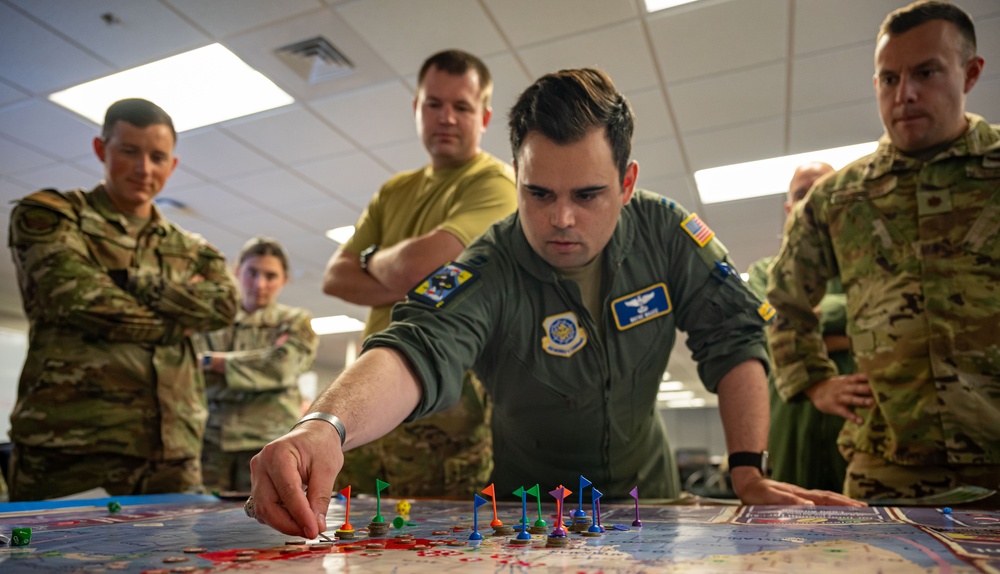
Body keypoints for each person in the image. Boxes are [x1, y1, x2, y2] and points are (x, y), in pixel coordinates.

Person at [249, 68, 860, 538]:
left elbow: (733, 338)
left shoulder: (667, 234)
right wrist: (323, 426)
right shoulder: (490, 264)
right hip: (529, 516)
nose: (561, 220)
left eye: (589, 194)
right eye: (537, 193)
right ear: (516, 176)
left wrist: (747, 468)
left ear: (626, 183)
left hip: (652, 504)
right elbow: (416, 348)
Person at [768, 0, 1000, 506]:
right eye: (888, 78)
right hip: (887, 469)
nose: (905, 94)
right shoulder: (839, 197)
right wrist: (813, 381)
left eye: (926, 72)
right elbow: (780, 303)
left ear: (971, 72)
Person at [6, 98, 238, 501]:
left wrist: (131, 282)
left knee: (174, 561)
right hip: (71, 447)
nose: (143, 168)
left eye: (157, 156)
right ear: (101, 149)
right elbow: (83, 302)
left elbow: (225, 306)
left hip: (173, 451)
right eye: (129, 151)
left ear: (173, 165)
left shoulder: (192, 248)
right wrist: (177, 324)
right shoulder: (54, 216)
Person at [322, 49, 516, 496]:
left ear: (484, 117)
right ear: (416, 109)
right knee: (353, 540)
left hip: (443, 406)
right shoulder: (394, 191)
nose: (446, 117)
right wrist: (394, 271)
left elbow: (415, 267)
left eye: (462, 107)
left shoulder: (494, 185)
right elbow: (334, 277)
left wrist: (369, 257)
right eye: (434, 104)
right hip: (367, 399)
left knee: (439, 551)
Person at [746, 162, 856, 492]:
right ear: (788, 207)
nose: (810, 201)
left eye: (820, 190)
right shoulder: (765, 272)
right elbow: (770, 332)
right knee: (787, 524)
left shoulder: (863, 266)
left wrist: (803, 326)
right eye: (801, 194)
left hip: (851, 418)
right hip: (788, 423)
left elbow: (881, 322)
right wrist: (850, 332)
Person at [194, 237, 318, 493]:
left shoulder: (295, 321)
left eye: (270, 276)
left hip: (269, 443)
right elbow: (186, 371)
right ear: (236, 271)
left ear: (284, 280)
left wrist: (211, 361)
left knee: (267, 524)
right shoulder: (210, 320)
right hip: (211, 443)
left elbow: (282, 368)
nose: (260, 284)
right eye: (252, 273)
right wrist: (261, 366)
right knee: (201, 523)